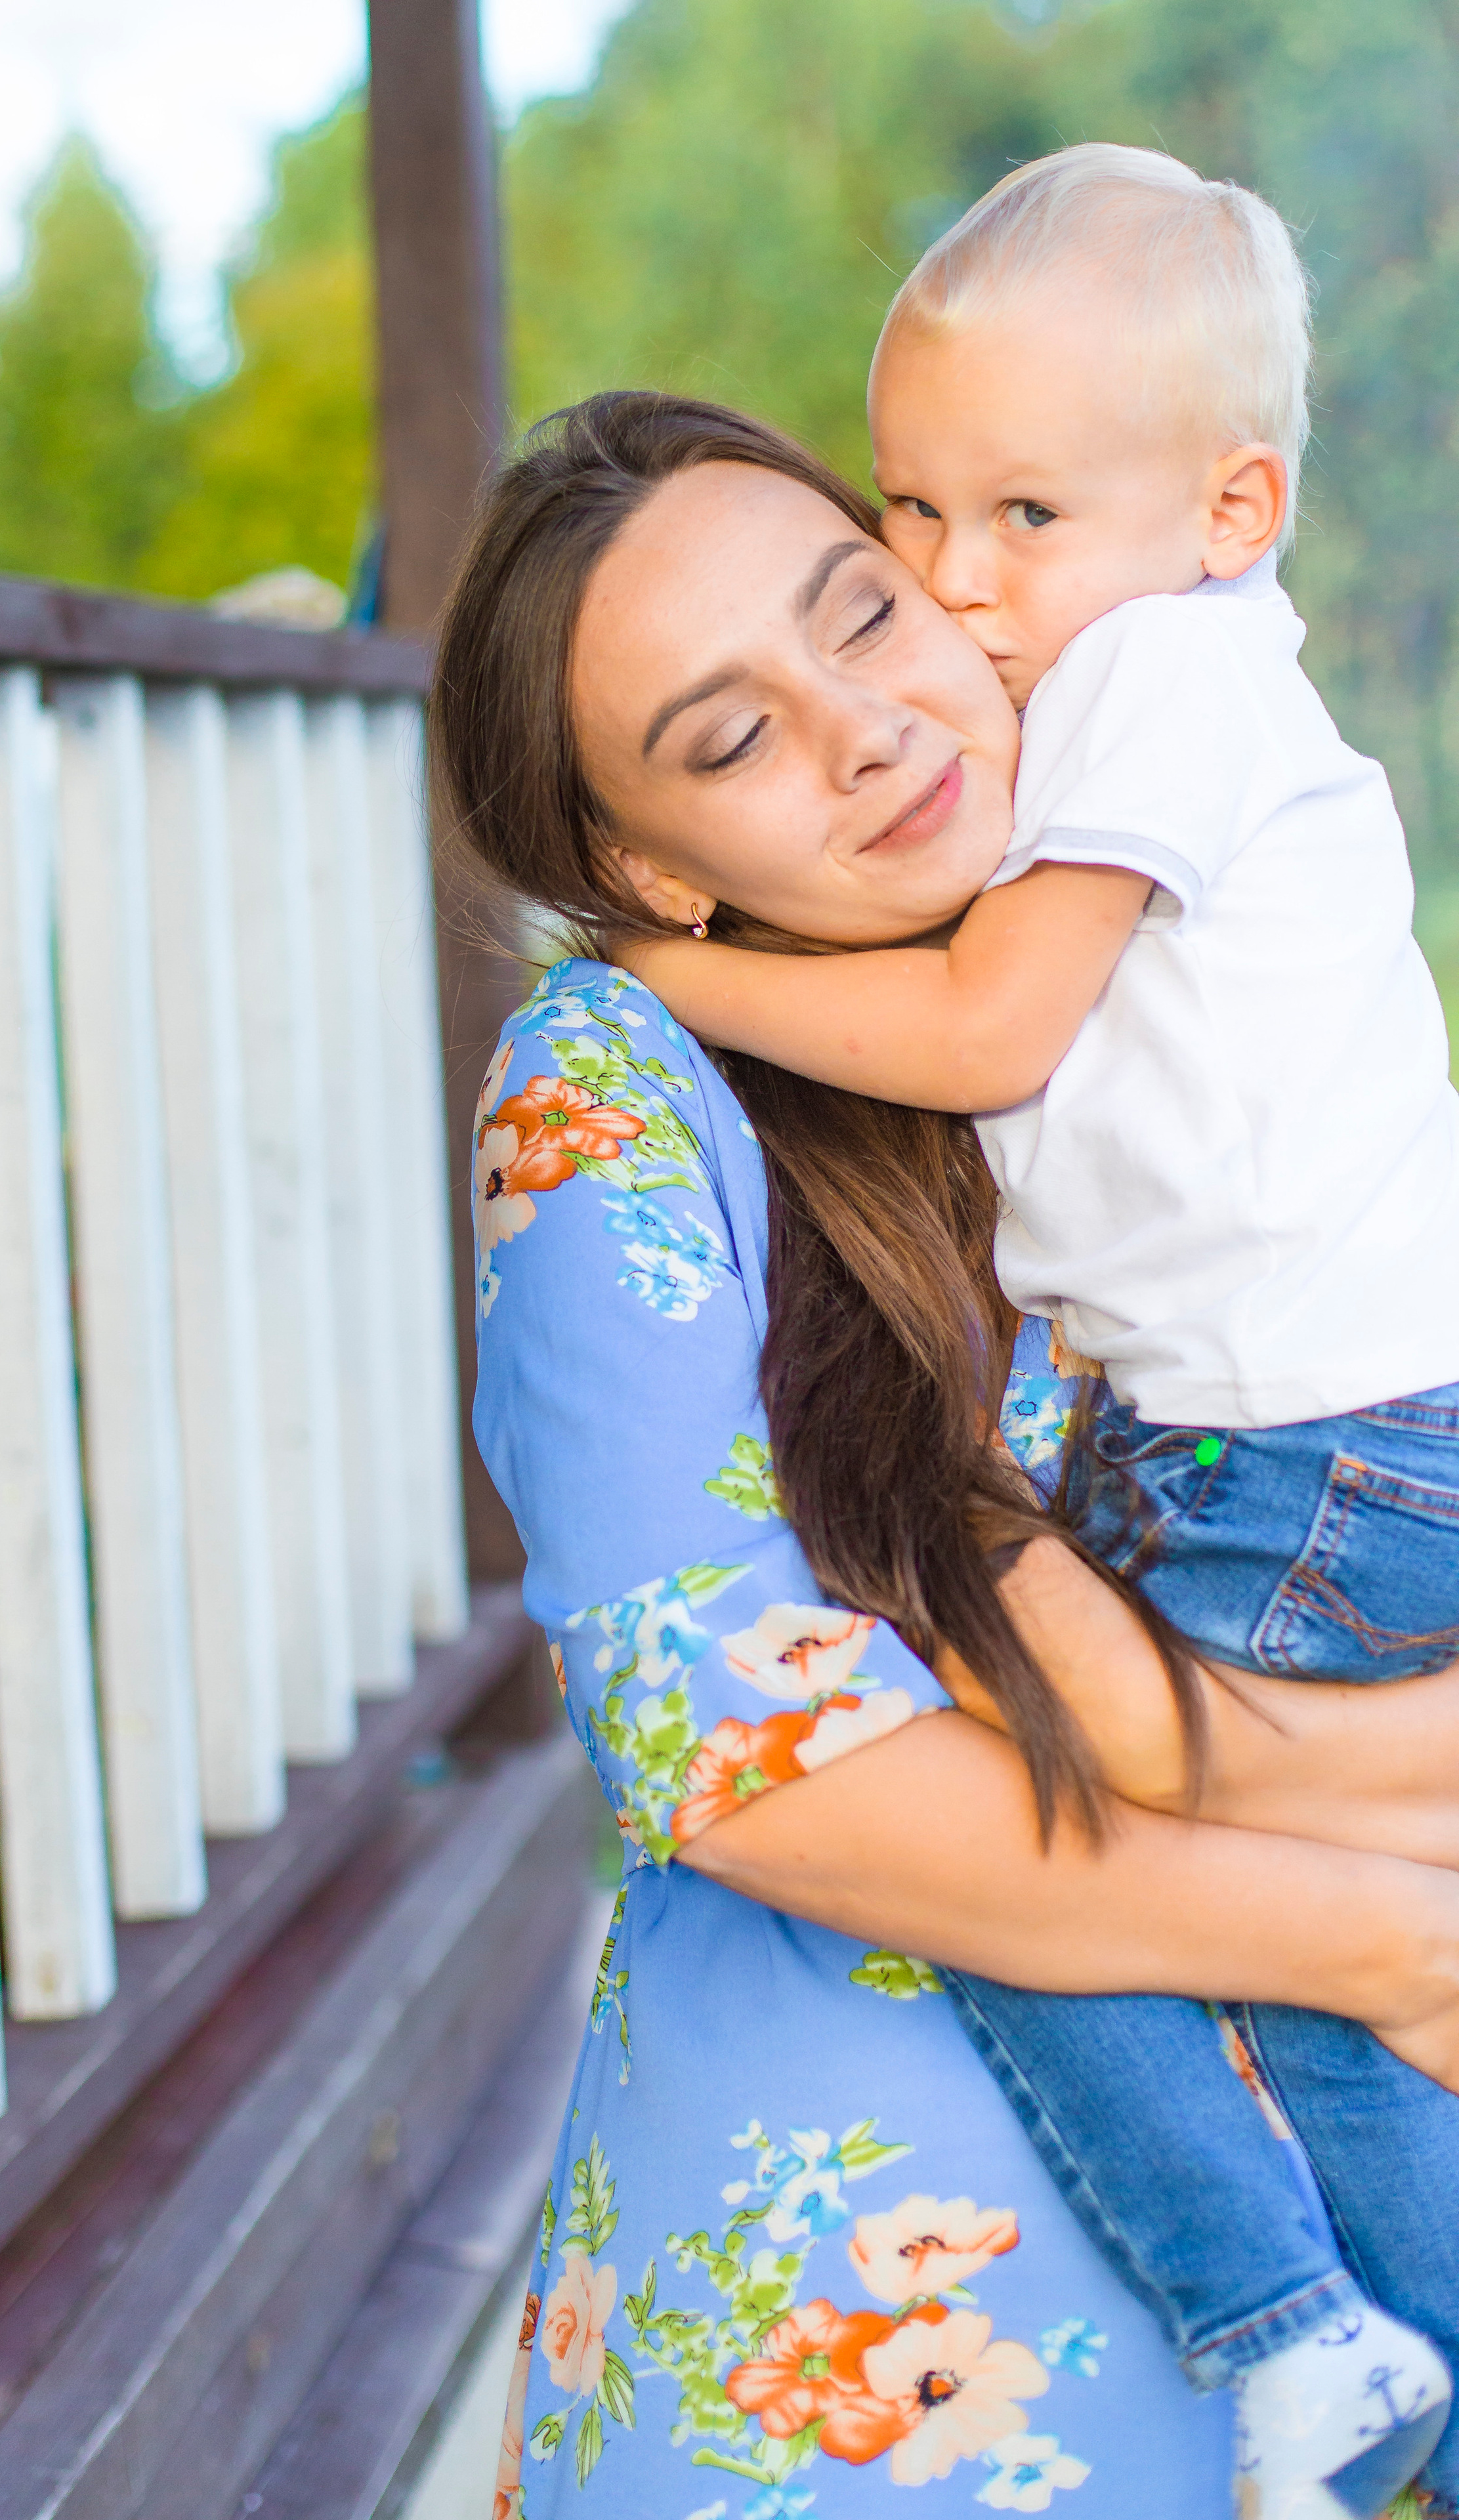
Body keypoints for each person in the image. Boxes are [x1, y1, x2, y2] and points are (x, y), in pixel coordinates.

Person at [433, 389, 1459, 2519]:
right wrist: (1382, 1935)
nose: (863, 730)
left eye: (866, 620)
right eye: (727, 741)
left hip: (1364, 2209)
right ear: (642, 868)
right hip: (898, 2314)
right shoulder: (618, 1081)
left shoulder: (1173, 924)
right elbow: (745, 1759)